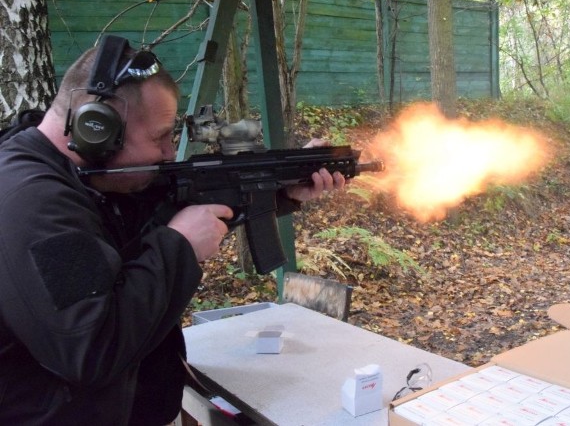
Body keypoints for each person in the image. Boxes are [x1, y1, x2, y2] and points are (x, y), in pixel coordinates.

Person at [0, 35, 345, 425]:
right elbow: (93, 349)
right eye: (159, 136)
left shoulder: (77, 176)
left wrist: (279, 190)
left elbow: (138, 223)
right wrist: (179, 245)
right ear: (97, 128)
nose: (169, 153)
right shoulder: (34, 203)